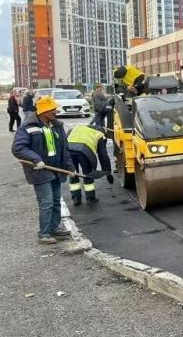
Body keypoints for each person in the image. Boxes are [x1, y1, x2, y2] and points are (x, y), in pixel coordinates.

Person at [11, 96, 73, 245]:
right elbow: (18, 148)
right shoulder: (28, 126)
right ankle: (44, 233)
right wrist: (35, 159)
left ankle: (54, 228)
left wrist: (69, 166)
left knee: (56, 201)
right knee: (47, 202)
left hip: (56, 169)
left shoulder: (56, 125)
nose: (56, 111)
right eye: (53, 109)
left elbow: (64, 149)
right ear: (44, 111)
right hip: (40, 170)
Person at [67, 124, 113, 206]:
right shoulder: (100, 135)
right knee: (88, 174)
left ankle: (76, 199)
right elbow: (103, 156)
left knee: (72, 173)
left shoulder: (78, 127)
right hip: (84, 151)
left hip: (68, 149)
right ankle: (90, 198)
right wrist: (108, 173)